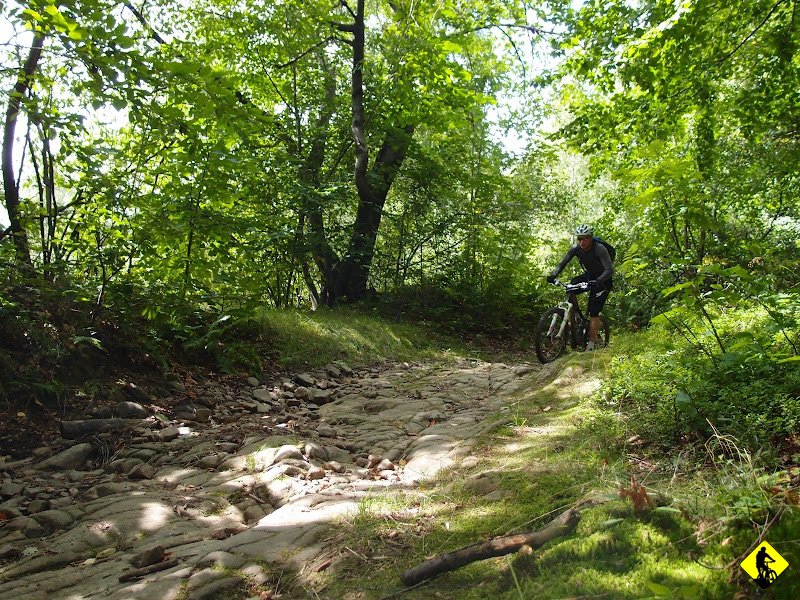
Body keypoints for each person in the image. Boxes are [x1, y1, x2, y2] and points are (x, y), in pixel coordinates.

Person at [546, 224, 613, 351]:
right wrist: (553, 275)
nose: (582, 241)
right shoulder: (576, 248)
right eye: (579, 238)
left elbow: (609, 270)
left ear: (591, 238)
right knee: (571, 285)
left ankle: (591, 345)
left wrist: (598, 281)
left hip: (603, 281)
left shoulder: (599, 248)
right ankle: (577, 317)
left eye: (585, 238)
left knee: (593, 312)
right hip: (589, 276)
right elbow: (562, 263)